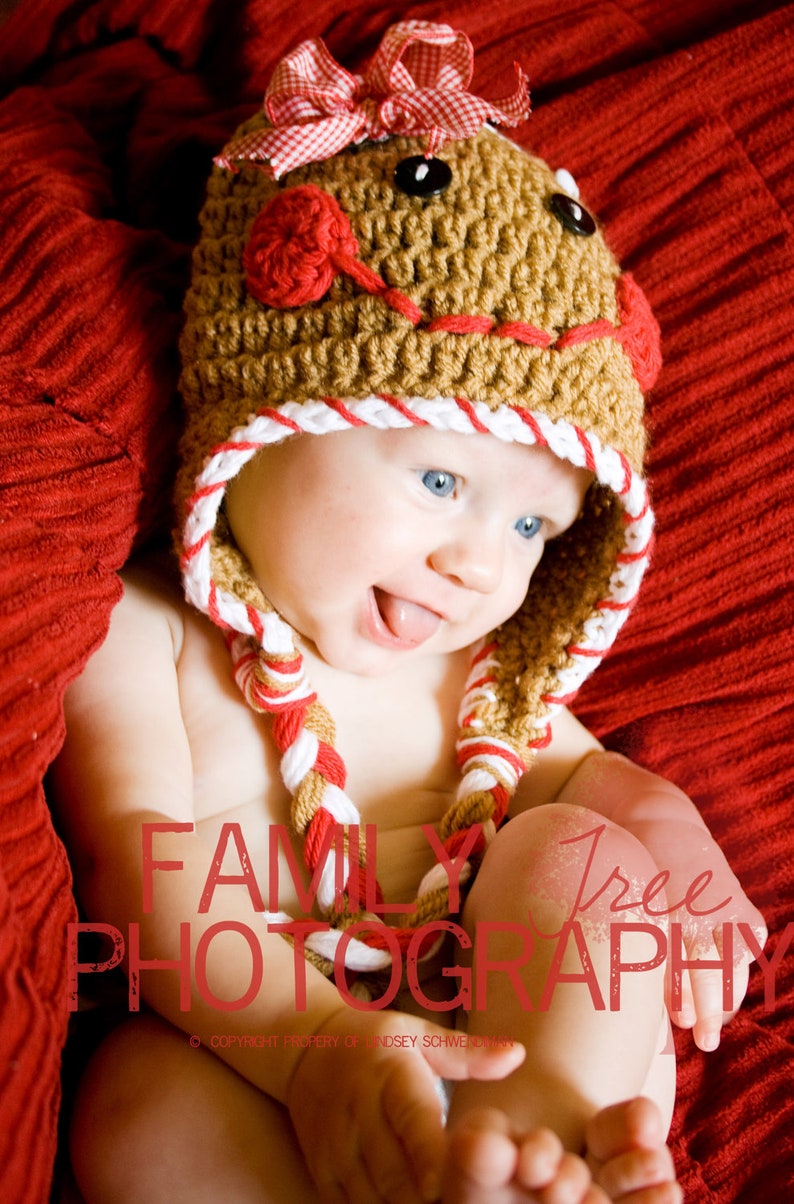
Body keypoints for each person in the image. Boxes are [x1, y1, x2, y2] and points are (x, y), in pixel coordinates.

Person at [52, 20, 765, 1204]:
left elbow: (591, 784)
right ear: (271, 422)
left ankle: (538, 1150)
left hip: (522, 1048)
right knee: (133, 1097)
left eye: (534, 528)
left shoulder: (473, 676)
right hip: (279, 1062)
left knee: (579, 855)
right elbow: (145, 883)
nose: (478, 565)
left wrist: (663, 820)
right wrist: (318, 1050)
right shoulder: (148, 640)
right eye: (439, 482)